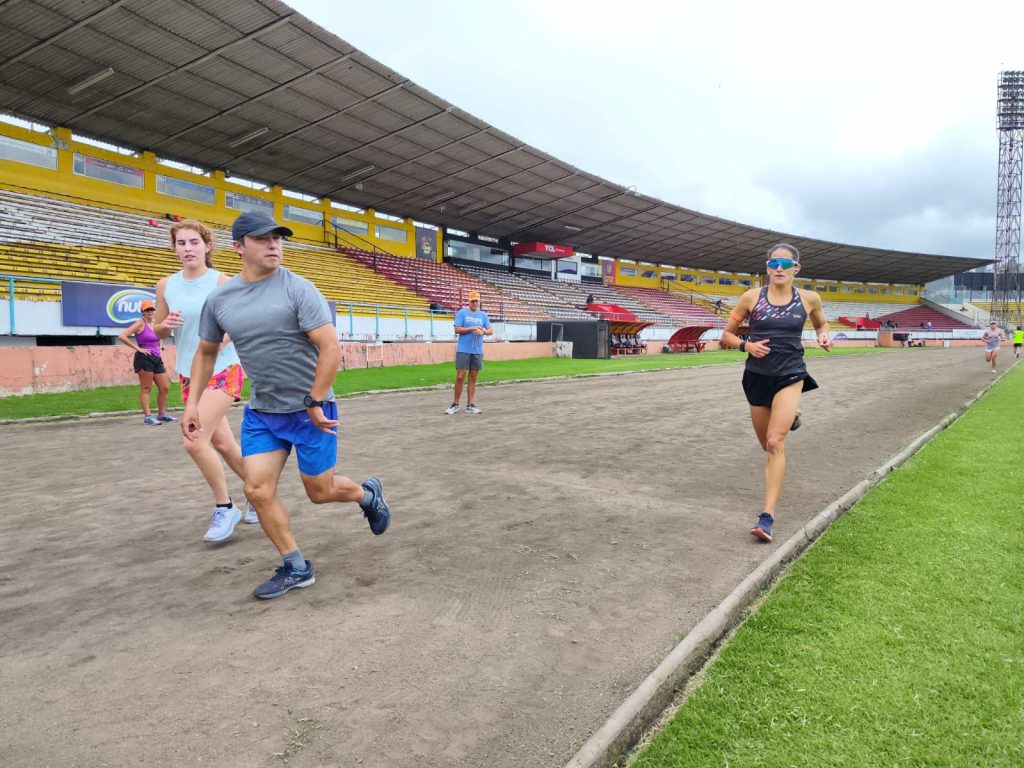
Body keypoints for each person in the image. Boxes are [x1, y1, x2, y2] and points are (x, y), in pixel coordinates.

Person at [182, 211, 391, 600]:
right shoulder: (221, 299)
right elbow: (207, 352)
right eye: (262, 238)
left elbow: (330, 348)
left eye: (277, 238)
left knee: (320, 491)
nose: (273, 244)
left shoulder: (298, 288)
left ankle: (367, 495)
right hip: (264, 412)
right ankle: (296, 566)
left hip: (311, 410)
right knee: (257, 490)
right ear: (239, 246)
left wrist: (314, 400)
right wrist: (192, 403)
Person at [152, 219, 255, 542]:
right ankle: (258, 491)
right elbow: (154, 331)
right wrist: (164, 324)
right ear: (174, 249)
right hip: (188, 374)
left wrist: (225, 335)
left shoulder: (222, 282)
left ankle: (225, 507)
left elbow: (241, 322)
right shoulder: (165, 286)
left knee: (194, 440)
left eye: (193, 242)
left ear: (207, 246)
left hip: (224, 369)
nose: (187, 249)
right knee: (222, 443)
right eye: (181, 243)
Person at [720, 243, 832, 543]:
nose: (778, 268)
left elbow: (821, 324)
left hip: (790, 373)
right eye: (773, 263)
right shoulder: (751, 297)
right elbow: (726, 336)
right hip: (757, 377)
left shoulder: (809, 299)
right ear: (767, 268)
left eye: (785, 263)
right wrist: (746, 346)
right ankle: (791, 416)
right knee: (765, 445)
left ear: (797, 268)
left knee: (774, 443)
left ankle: (767, 517)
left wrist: (823, 336)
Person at [118, 299, 174, 426]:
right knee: (146, 388)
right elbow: (122, 336)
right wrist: (138, 349)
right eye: (147, 310)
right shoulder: (139, 323)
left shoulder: (155, 323)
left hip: (156, 358)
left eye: (152, 309)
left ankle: (162, 414)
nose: (150, 312)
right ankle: (148, 417)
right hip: (144, 358)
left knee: (165, 387)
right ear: (142, 312)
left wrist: (161, 345)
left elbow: (160, 336)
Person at [445, 290, 493, 414]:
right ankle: (455, 404)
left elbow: (490, 330)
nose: (475, 303)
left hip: (477, 350)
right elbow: (457, 329)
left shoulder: (483, 315)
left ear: (479, 301)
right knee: (460, 376)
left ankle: (470, 404)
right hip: (463, 349)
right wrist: (472, 328)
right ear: (469, 301)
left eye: (477, 301)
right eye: (472, 301)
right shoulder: (462, 313)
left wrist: (483, 332)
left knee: (473, 377)